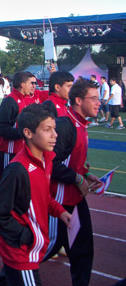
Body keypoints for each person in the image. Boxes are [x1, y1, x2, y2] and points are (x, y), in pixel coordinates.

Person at [0, 104, 71, 286]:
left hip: (33, 246)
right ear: (28, 132)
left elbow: (42, 196)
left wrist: (60, 211)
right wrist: (26, 237)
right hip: (21, 252)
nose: (54, 135)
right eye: (47, 130)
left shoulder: (46, 159)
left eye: (54, 129)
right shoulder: (18, 169)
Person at [43, 79, 104, 286]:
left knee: (83, 250)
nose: (99, 103)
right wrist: (76, 178)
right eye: (94, 98)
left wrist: (85, 174)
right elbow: (50, 162)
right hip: (58, 200)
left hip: (75, 199)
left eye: (99, 98)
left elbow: (71, 160)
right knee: (43, 249)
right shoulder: (65, 125)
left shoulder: (81, 124)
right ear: (79, 100)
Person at [0, 71, 35, 182]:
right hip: (8, 151)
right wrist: (23, 133)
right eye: (30, 83)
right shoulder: (10, 101)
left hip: (20, 151)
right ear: (23, 85)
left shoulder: (26, 100)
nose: (32, 86)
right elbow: (0, 127)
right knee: (6, 184)